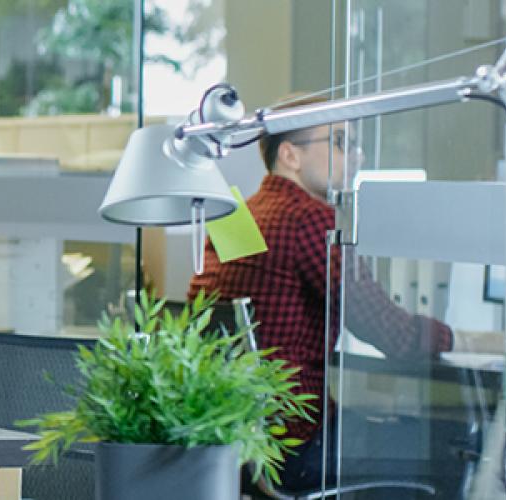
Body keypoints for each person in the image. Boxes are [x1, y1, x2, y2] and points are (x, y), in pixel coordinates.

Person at [188, 96, 455, 490]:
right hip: (297, 443)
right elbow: (393, 335)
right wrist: (469, 339)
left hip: (240, 442)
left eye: (356, 145)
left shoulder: (239, 216)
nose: (356, 157)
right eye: (340, 142)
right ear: (291, 155)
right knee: (450, 444)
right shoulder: (311, 219)